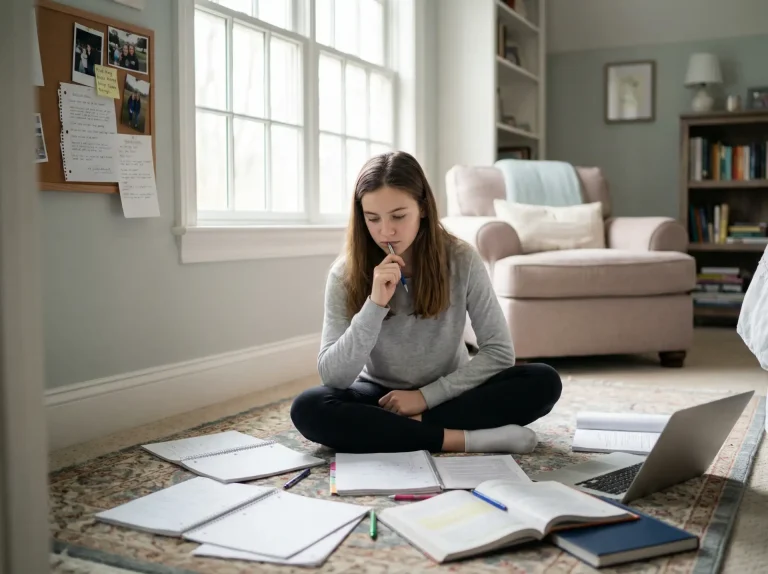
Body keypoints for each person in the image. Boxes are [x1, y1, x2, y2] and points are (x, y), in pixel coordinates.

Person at [290, 151, 562, 455]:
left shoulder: (462, 259)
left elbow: (499, 352)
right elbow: (334, 376)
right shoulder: (344, 273)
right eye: (373, 219)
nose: (386, 231)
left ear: (422, 208)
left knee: (543, 381)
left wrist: (425, 398)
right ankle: (462, 439)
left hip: (450, 389)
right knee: (308, 407)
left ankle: (402, 430)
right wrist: (374, 305)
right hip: (380, 395)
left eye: (398, 216)